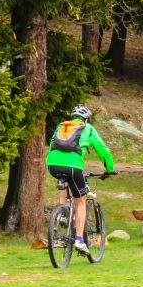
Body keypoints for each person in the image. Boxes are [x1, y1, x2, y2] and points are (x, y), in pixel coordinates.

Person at [46, 105, 115, 255]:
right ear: (86, 119)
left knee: (67, 184)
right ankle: (79, 240)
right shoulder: (87, 127)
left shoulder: (62, 126)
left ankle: (61, 214)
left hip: (52, 165)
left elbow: (52, 143)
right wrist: (110, 169)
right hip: (73, 167)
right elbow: (103, 149)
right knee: (81, 200)